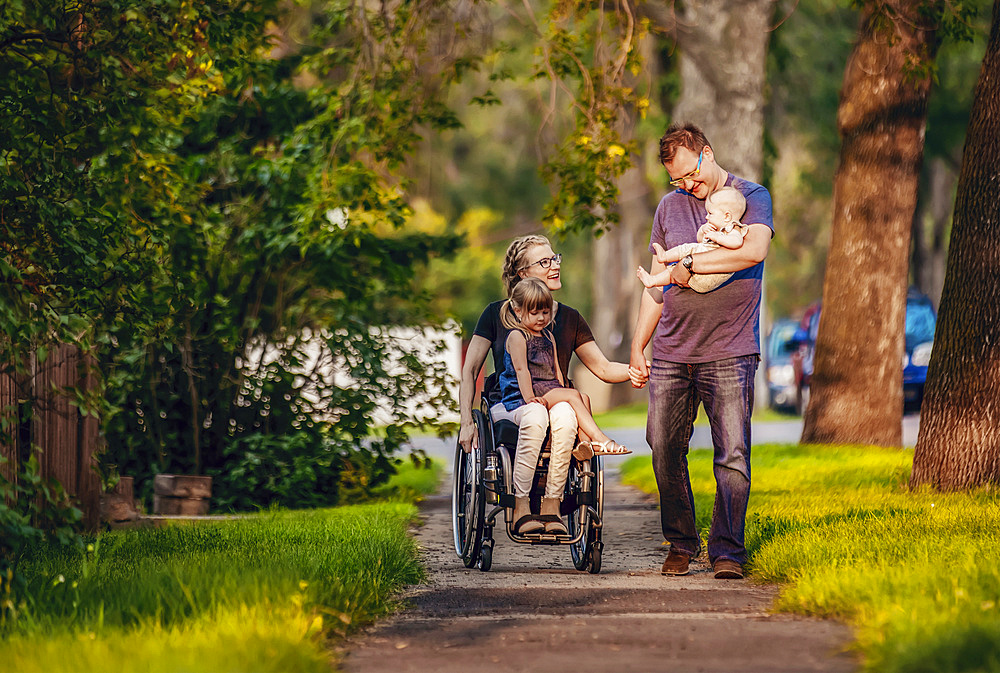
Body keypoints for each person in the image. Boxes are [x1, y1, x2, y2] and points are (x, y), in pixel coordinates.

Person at [629, 123, 773, 580]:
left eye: (690, 174)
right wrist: (638, 345)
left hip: (730, 347)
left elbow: (751, 252)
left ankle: (728, 550)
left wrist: (687, 266)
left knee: (732, 454)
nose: (687, 186)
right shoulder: (669, 208)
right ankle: (681, 541)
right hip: (673, 350)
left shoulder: (751, 196)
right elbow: (655, 283)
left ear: (706, 153)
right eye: (678, 180)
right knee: (663, 445)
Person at [459, 235, 632, 536]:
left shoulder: (570, 319)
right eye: (544, 261)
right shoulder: (496, 315)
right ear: (523, 274)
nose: (554, 266)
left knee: (565, 415)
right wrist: (465, 421)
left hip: (555, 401)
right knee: (537, 416)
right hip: (512, 405)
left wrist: (638, 370)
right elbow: (470, 369)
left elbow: (603, 368)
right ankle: (522, 507)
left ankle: (553, 507)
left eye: (555, 258)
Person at [498, 278, 632, 458]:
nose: (541, 318)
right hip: (532, 391)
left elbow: (556, 371)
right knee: (573, 395)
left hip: (549, 387)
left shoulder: (548, 336)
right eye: (535, 313)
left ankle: (584, 446)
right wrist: (530, 397)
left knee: (582, 397)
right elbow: (522, 371)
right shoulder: (517, 336)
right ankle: (599, 437)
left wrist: (563, 389)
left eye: (545, 312)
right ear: (518, 311)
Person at [636, 186, 748, 295]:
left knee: (687, 249)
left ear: (727, 216)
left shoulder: (732, 228)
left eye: (710, 213)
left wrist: (716, 237)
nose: (707, 217)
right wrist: (703, 230)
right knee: (673, 269)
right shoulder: (715, 228)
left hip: (710, 276)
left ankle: (665, 256)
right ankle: (653, 280)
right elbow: (700, 240)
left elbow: (736, 242)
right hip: (698, 272)